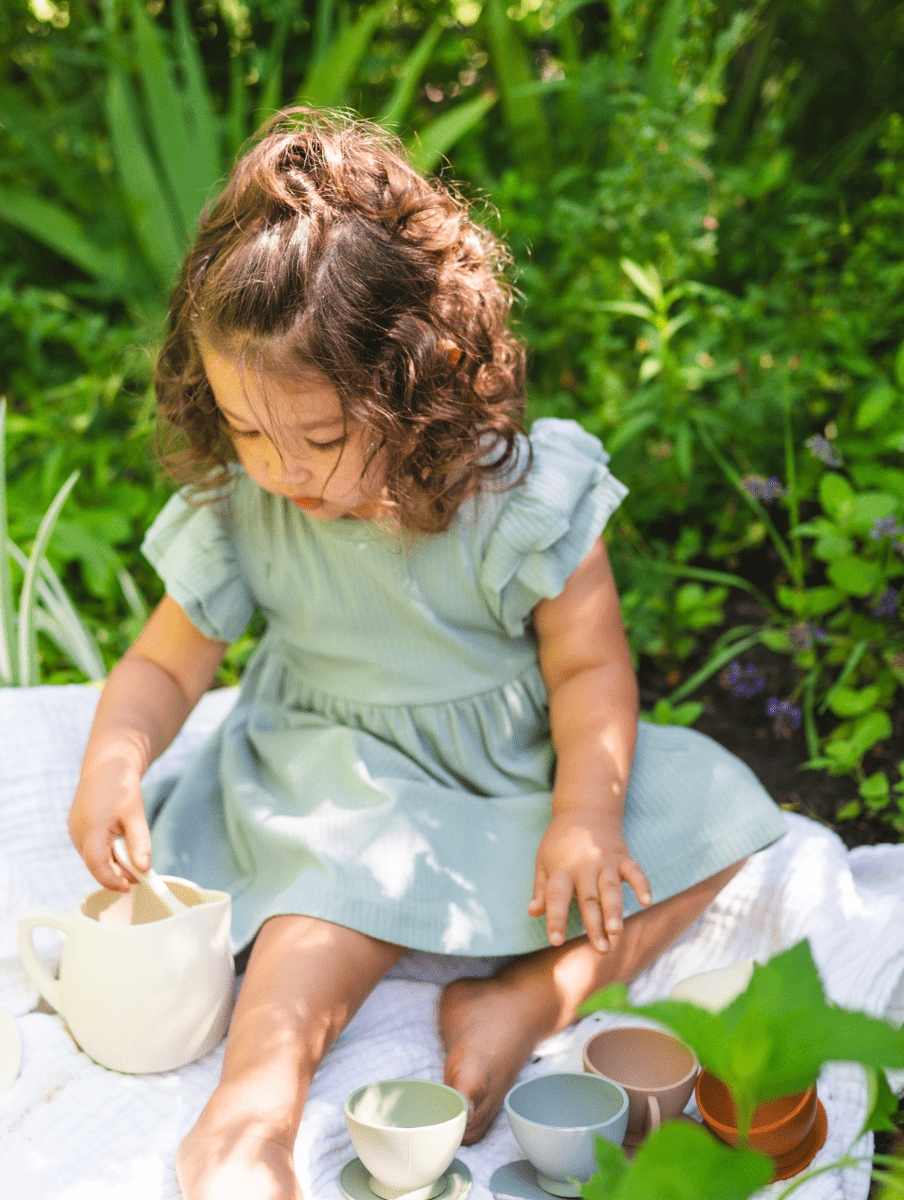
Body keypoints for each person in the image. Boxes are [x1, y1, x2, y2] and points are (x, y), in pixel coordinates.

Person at [67, 110, 786, 1200]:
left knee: (717, 813)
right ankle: (250, 1113)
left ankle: (529, 1000)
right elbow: (165, 668)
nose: (280, 470)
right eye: (246, 431)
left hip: (508, 767)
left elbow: (589, 671)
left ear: (419, 380)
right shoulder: (242, 512)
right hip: (330, 769)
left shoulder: (514, 499)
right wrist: (113, 762)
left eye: (319, 437)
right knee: (323, 907)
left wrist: (585, 812)